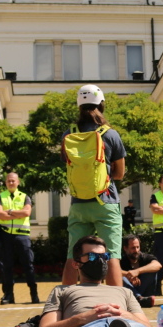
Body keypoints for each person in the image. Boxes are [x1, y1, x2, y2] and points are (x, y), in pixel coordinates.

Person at [61, 85, 126, 289]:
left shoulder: (68, 135)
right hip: (105, 201)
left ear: (79, 107)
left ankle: (64, 304)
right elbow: (119, 174)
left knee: (73, 255)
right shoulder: (110, 134)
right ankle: (117, 308)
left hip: (78, 203)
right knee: (113, 255)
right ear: (102, 105)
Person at [0, 172, 39, 305]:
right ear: (6, 182)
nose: (11, 183)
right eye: (8, 181)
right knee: (7, 266)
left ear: (18, 182)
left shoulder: (25, 197)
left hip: (22, 235)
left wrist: (8, 212)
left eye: (13, 181)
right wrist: (15, 214)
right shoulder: (0, 197)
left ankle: (34, 294)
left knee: (28, 265)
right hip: (5, 235)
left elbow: (27, 212)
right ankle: (9, 295)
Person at [120, 234, 161, 307]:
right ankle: (139, 298)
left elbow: (158, 265)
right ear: (125, 248)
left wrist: (137, 271)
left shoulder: (145, 257)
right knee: (120, 276)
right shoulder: (121, 260)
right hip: (129, 292)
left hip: (146, 292)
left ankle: (139, 298)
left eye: (137, 247)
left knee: (151, 270)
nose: (136, 250)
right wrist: (128, 275)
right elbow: (111, 271)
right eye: (133, 248)